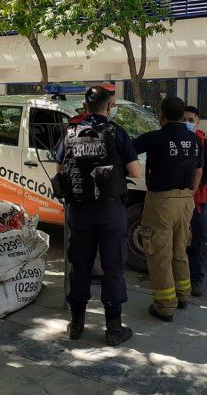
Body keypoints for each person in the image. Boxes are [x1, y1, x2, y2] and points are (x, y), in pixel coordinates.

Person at [56, 86, 141, 346]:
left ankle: (77, 324)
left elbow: (60, 171)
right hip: (110, 210)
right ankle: (113, 328)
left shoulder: (70, 132)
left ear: (85, 105)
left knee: (80, 265)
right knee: (112, 266)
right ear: (109, 105)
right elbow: (136, 172)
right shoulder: (116, 132)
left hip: (80, 210)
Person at [133, 97, 203, 322]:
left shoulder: (156, 137)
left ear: (161, 115)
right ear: (182, 115)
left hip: (161, 202)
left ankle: (164, 305)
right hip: (185, 201)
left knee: (159, 254)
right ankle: (183, 295)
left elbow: (127, 149)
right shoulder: (194, 139)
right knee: (180, 250)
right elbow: (198, 170)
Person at [182, 106, 207, 297]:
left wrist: (193, 186)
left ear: (198, 122)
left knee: (199, 238)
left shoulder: (206, 145)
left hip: (197, 200)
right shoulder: (176, 142)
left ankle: (196, 279)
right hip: (177, 198)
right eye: (184, 119)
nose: (187, 123)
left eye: (190, 119)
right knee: (177, 239)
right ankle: (179, 276)